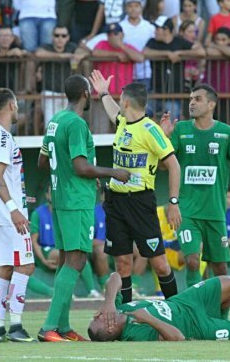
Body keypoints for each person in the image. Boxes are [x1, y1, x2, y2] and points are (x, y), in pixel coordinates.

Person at [37, 74, 130, 342]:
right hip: (77, 200)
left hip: (59, 197)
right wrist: (113, 171)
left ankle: (62, 327)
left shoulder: (55, 121)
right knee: (76, 260)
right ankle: (49, 327)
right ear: (86, 95)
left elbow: (43, 162)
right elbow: (81, 167)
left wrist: (66, 172)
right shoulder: (77, 123)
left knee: (66, 259)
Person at [89, 70, 183, 306]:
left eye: (120, 99)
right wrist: (103, 94)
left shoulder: (150, 130)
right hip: (115, 203)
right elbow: (113, 112)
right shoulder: (123, 122)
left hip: (140, 203)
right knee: (122, 264)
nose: (118, 103)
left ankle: (178, 312)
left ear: (127, 101)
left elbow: (173, 165)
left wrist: (173, 202)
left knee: (160, 264)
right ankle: (125, 316)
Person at [159, 84, 230, 290]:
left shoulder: (226, 133)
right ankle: (194, 310)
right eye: (190, 99)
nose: (191, 102)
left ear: (211, 104)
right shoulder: (180, 129)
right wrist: (165, 137)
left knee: (220, 269)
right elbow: (164, 166)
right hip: (186, 211)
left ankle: (219, 317)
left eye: (197, 99)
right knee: (192, 261)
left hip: (215, 213)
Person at [89, 273, 230, 341]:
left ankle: (221, 320)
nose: (99, 314)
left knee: (228, 282)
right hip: (195, 326)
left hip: (184, 301)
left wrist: (108, 302)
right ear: (109, 328)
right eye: (98, 319)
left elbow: (115, 276)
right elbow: (179, 339)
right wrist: (148, 318)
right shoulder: (134, 335)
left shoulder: (118, 308)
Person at [0, 88, 36, 342]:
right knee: (25, 266)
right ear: (12, 105)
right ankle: (16, 326)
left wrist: (20, 198)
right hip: (7, 215)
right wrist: (15, 209)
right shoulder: (2, 137)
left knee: (2, 268)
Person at [143, 16, 205, 119]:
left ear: (166, 30)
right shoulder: (153, 42)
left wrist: (180, 53)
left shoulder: (179, 42)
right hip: (156, 92)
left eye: (157, 29)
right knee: (143, 115)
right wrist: (167, 54)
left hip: (174, 93)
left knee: (171, 120)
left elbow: (201, 52)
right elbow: (145, 52)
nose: (155, 32)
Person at [92, 22, 143, 94]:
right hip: (102, 93)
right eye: (109, 34)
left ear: (122, 35)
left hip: (123, 94)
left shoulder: (128, 47)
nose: (112, 37)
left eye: (115, 34)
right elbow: (95, 53)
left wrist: (121, 45)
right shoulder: (102, 43)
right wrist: (116, 54)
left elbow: (140, 58)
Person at [0, 26, 26, 91]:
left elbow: (26, 53)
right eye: (2, 36)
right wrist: (7, 53)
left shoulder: (15, 47)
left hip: (11, 92)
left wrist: (22, 53)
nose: (5, 38)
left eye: (7, 35)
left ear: (12, 38)